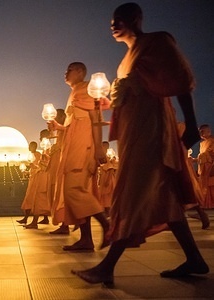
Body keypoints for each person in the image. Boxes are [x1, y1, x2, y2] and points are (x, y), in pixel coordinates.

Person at [71, 2, 209, 286]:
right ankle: (194, 258)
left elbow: (181, 83)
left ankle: (107, 267)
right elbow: (130, 99)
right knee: (161, 195)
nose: (113, 24)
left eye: (119, 19)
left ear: (136, 18)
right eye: (111, 21)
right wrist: (105, 104)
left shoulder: (157, 42)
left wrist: (192, 124)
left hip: (152, 131)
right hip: (134, 134)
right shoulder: (125, 61)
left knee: (134, 193)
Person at [48, 62, 110, 251]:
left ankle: (108, 227)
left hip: (83, 148)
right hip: (73, 147)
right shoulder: (74, 93)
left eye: (70, 70)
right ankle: (86, 239)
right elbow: (75, 123)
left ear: (81, 72)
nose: (65, 73)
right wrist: (60, 128)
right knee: (76, 193)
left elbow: (96, 118)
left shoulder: (85, 89)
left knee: (75, 190)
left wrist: (99, 148)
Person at [24, 130, 53, 229]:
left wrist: (35, 166)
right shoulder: (45, 150)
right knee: (40, 199)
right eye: (41, 136)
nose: (41, 138)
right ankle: (37, 220)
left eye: (43, 136)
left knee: (40, 198)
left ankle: (35, 221)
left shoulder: (48, 149)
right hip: (40, 176)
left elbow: (46, 165)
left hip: (44, 177)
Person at [16, 141, 41, 225]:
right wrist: (27, 172)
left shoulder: (38, 155)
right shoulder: (31, 155)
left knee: (33, 199)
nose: (29, 147)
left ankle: (32, 220)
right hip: (32, 178)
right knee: (29, 199)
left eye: (31, 146)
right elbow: (33, 168)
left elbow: (40, 167)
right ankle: (26, 218)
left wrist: (34, 167)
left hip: (37, 179)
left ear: (35, 146)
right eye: (29, 146)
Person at [97, 141, 118, 215]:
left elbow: (110, 168)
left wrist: (107, 180)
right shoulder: (104, 156)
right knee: (105, 197)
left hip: (108, 178)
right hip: (104, 178)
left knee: (107, 197)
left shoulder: (108, 156)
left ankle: (109, 214)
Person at [196, 124, 214, 209]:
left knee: (211, 186)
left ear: (209, 131)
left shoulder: (212, 141)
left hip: (210, 168)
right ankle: (205, 205)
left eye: (203, 131)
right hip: (202, 170)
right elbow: (201, 158)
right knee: (203, 186)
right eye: (200, 132)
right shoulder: (202, 144)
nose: (201, 134)